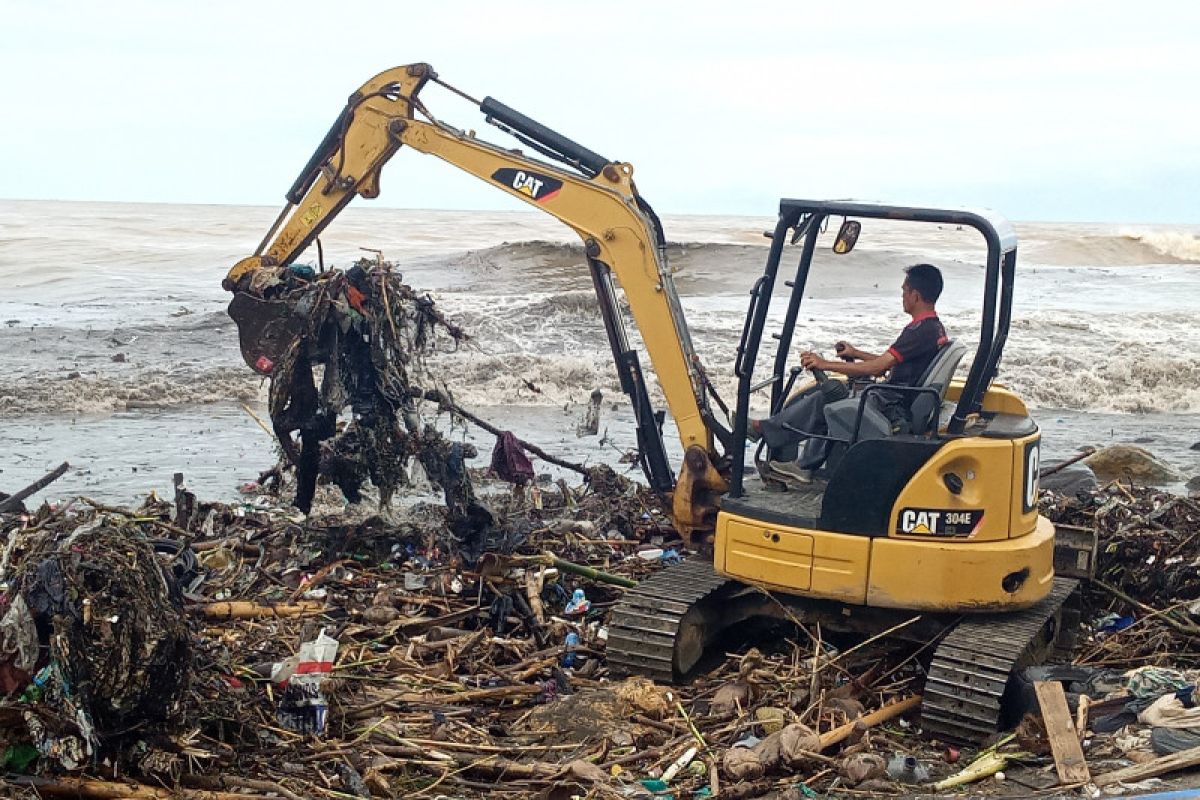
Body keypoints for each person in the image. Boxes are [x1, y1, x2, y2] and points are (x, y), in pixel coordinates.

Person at [748, 263, 949, 483]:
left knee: (828, 397)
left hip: (890, 404)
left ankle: (768, 435)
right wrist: (855, 353)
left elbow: (877, 368)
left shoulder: (918, 331)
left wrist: (825, 364)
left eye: (904, 291)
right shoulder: (933, 328)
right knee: (834, 395)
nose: (902, 296)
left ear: (915, 295)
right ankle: (801, 460)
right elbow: (890, 363)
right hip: (896, 396)